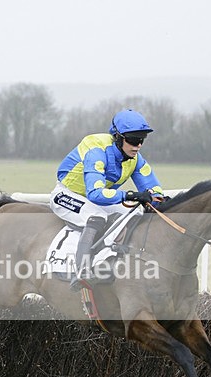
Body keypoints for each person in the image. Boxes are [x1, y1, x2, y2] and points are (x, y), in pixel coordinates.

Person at [50, 109, 166, 291]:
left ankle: (111, 258)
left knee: (135, 212)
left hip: (96, 199)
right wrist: (131, 195)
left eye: (142, 140)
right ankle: (82, 271)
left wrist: (158, 199)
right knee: (96, 216)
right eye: (134, 140)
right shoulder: (96, 151)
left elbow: (154, 189)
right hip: (66, 195)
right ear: (118, 138)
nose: (138, 146)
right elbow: (95, 194)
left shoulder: (135, 159)